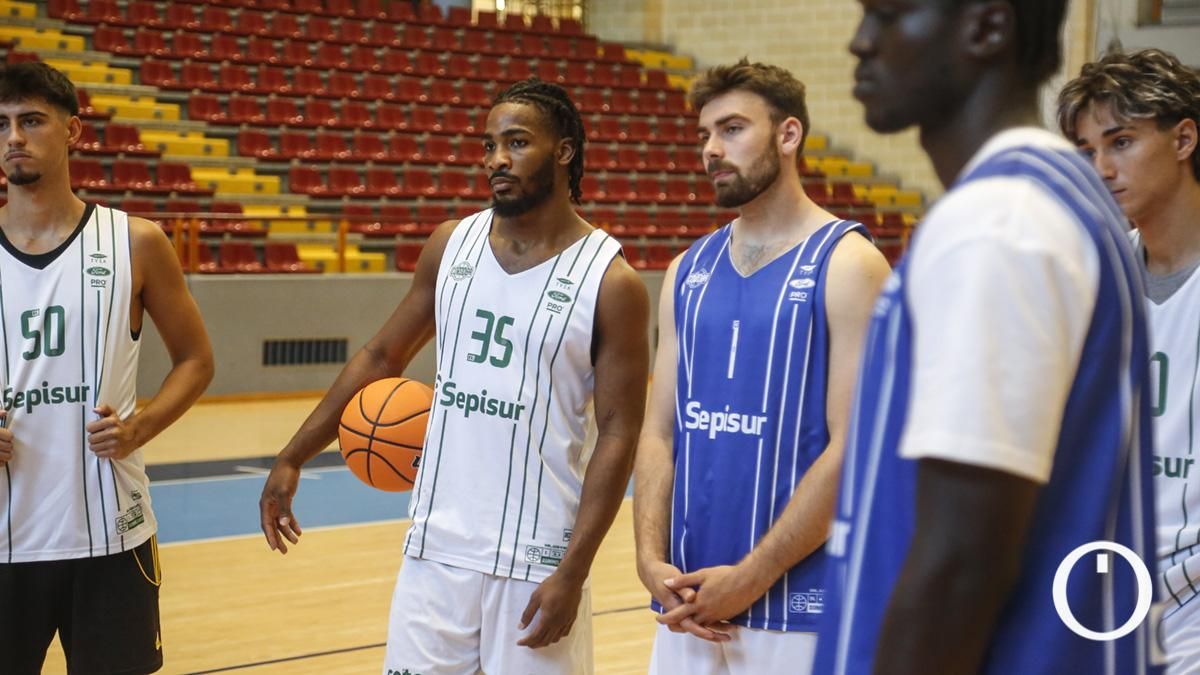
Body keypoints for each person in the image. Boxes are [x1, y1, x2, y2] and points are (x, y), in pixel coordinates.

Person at [814, 2, 1162, 674]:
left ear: (988, 28)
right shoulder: (1057, 195)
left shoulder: (997, 223)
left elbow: (960, 562)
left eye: (887, 15)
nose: (859, 42)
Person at [258, 78, 650, 675]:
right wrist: (294, 454)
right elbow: (380, 356)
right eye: (489, 145)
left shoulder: (611, 282)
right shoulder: (451, 245)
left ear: (564, 150)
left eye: (516, 142)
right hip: (435, 550)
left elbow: (619, 433)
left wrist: (574, 570)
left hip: (536, 561)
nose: (496, 159)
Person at [633, 58, 890, 674]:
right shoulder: (685, 272)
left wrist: (751, 577)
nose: (712, 150)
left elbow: (853, 451)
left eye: (732, 129)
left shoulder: (851, 265)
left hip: (802, 611)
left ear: (788, 134)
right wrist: (648, 558)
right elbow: (658, 433)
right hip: (686, 602)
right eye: (704, 135)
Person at [0, 62, 214, 674]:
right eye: (2, 123)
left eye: (32, 120)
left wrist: (141, 427)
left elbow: (197, 360)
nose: (14, 137)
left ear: (73, 132)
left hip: (111, 537)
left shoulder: (137, 242)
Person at [1059, 47, 1200, 673]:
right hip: (1108, 597)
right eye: (1088, 152)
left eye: (1121, 142)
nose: (1102, 168)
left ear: (1184, 139)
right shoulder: (1087, 278)